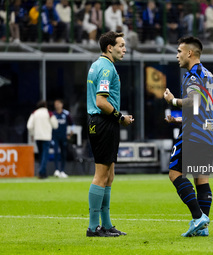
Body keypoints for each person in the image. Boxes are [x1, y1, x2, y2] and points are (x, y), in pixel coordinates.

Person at [164, 36, 213, 237]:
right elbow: (208, 107)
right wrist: (179, 121)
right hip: (208, 134)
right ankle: (203, 228)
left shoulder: (193, 75)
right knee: (201, 179)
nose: (177, 55)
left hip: (193, 135)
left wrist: (173, 101)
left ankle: (198, 217)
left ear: (189, 53)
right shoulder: (209, 75)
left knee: (175, 174)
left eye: (179, 51)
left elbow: (193, 101)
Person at [86, 31, 134, 237]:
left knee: (109, 175)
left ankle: (105, 224)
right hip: (104, 122)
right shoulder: (106, 68)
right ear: (109, 48)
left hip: (103, 123)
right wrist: (120, 117)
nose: (124, 49)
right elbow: (101, 102)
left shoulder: (97, 64)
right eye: (121, 45)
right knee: (101, 175)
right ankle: (93, 226)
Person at [27, 100, 58, 179]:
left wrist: (32, 134)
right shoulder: (49, 113)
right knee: (45, 155)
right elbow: (55, 125)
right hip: (46, 137)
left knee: (41, 155)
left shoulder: (35, 113)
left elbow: (29, 126)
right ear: (45, 106)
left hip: (37, 137)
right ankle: (41, 172)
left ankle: (43, 173)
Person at [52, 99, 74, 178]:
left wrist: (70, 135)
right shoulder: (53, 114)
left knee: (63, 153)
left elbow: (72, 124)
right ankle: (57, 170)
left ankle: (62, 171)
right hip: (55, 137)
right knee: (55, 152)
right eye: (55, 104)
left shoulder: (66, 114)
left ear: (62, 104)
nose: (57, 105)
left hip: (63, 137)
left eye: (58, 104)